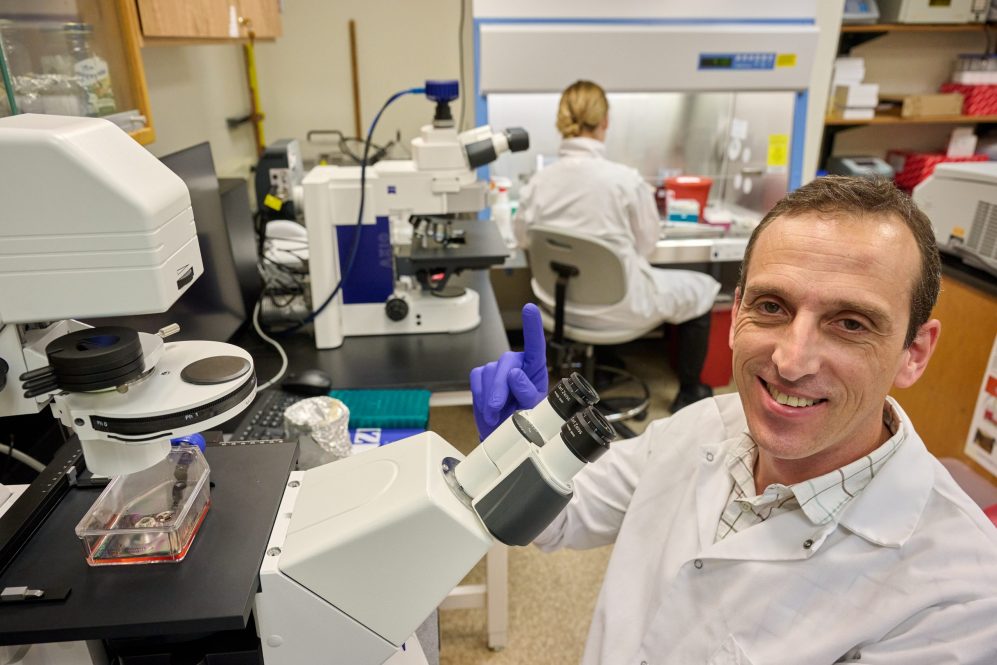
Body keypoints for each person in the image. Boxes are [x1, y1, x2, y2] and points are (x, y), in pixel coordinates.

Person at [474, 176, 997, 664]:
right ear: (738, 309)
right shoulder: (703, 424)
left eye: (851, 323)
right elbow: (563, 516)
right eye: (772, 306)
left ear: (914, 353)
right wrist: (531, 449)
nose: (791, 362)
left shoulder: (960, 598)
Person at [513, 80, 720, 413]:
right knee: (705, 288)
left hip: (560, 310)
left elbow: (523, 239)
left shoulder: (539, 182)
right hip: (621, 309)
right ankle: (690, 392)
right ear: (605, 122)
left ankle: (601, 366)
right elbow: (648, 245)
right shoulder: (625, 180)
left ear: (561, 121)